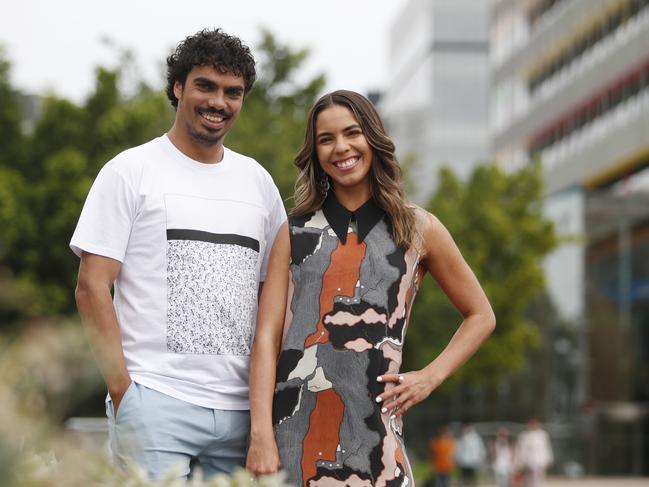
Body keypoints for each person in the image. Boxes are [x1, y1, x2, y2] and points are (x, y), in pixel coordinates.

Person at [245, 90, 496, 486]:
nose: (341, 147)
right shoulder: (292, 232)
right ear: (315, 152)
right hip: (292, 437)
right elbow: (265, 338)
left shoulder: (418, 229)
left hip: (379, 441)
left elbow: (481, 315)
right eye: (326, 139)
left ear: (372, 139)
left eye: (352, 133)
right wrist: (260, 433)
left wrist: (429, 377)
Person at [70, 28, 286, 480]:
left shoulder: (259, 184)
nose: (219, 102)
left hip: (241, 411)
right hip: (154, 400)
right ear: (178, 87)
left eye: (233, 92)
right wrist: (124, 391)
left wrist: (262, 417)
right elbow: (92, 286)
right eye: (205, 85)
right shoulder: (130, 171)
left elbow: (273, 304)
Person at [516, 418, 553, 487]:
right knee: (529, 480)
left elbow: (547, 448)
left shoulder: (543, 435)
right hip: (529, 462)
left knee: (539, 479)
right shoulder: (524, 436)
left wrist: (548, 459)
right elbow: (521, 450)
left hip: (540, 461)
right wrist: (520, 461)